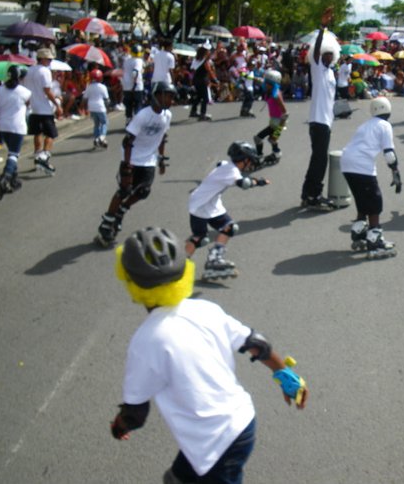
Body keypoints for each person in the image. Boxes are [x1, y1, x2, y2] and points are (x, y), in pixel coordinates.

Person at [109, 227, 307, 484]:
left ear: (129, 280)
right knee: (176, 479)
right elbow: (257, 343)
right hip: (239, 422)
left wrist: (119, 426)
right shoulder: (205, 310)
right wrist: (287, 376)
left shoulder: (146, 340)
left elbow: (135, 413)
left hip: (215, 441)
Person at [94, 82, 176, 247]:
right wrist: (127, 164)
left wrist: (161, 159)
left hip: (149, 161)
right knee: (124, 190)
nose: (171, 100)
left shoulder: (167, 115)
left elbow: (162, 137)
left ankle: (121, 211)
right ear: (158, 95)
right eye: (168, 96)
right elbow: (128, 141)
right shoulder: (143, 115)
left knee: (144, 191)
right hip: (132, 158)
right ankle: (107, 222)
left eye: (172, 97)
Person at [186, 142, 269, 280]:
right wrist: (258, 182)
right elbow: (244, 184)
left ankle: (211, 260)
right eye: (249, 161)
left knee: (227, 228)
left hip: (208, 202)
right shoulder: (231, 171)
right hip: (202, 204)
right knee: (202, 237)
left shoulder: (227, 165)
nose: (250, 165)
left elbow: (220, 164)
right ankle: (180, 265)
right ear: (244, 160)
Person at [340, 97, 402, 258]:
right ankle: (375, 242)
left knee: (362, 200)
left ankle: (359, 234)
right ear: (387, 110)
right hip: (361, 165)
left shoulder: (365, 125)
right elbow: (389, 154)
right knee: (375, 202)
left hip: (346, 163)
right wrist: (396, 173)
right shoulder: (384, 125)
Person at [300, 7, 340, 210]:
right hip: (318, 121)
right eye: (325, 54)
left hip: (325, 121)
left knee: (317, 159)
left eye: (331, 55)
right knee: (320, 161)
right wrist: (323, 27)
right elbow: (316, 50)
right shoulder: (317, 69)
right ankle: (314, 195)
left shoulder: (331, 73)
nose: (327, 57)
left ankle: (307, 193)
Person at [24, 47, 63, 174]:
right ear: (43, 59)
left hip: (33, 108)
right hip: (44, 108)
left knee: (37, 133)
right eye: (49, 59)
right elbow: (47, 90)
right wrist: (57, 105)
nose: (50, 61)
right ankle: (44, 156)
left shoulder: (29, 71)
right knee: (51, 134)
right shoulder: (45, 71)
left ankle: (37, 156)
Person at [0, 66, 31, 197]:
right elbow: (27, 104)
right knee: (14, 154)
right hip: (17, 126)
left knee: (11, 153)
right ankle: (6, 177)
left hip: (3, 125)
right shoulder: (24, 91)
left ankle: (13, 180)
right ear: (20, 77)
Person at [253, 69, 288, 166]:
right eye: (266, 82)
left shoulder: (276, 95)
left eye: (269, 83)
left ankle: (259, 157)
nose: (266, 84)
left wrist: (279, 129)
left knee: (258, 138)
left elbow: (285, 113)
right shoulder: (271, 90)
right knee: (271, 140)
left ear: (274, 84)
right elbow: (258, 80)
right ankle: (276, 153)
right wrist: (246, 75)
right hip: (273, 121)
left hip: (278, 122)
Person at [82, 69, 110, 149]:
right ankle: (102, 137)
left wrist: (84, 108)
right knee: (104, 122)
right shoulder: (103, 87)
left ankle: (96, 138)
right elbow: (106, 99)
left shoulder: (89, 87)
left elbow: (84, 99)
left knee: (96, 124)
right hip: (100, 107)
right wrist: (107, 108)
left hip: (92, 107)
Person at [189, 46, 218, 121]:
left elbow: (192, 70)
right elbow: (209, 71)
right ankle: (203, 114)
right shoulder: (205, 61)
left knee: (198, 96)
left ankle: (193, 111)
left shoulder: (196, 60)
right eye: (208, 51)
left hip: (196, 80)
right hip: (202, 80)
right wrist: (215, 80)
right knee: (205, 98)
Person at [121, 43, 145, 124]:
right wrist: (134, 83)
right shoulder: (138, 61)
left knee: (128, 105)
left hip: (126, 86)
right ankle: (137, 121)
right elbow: (135, 72)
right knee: (138, 103)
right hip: (136, 86)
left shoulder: (127, 61)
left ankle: (128, 119)